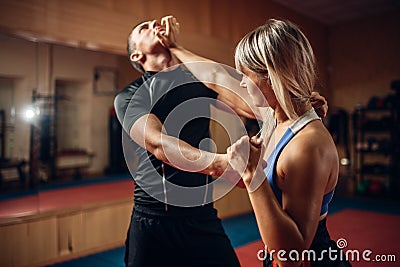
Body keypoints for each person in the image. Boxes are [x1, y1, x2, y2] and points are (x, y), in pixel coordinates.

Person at [115, 16, 329, 267]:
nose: (154, 25)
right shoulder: (130, 96)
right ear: (136, 56)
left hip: (200, 214)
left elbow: (253, 103)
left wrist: (296, 100)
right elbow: (158, 144)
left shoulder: (195, 82)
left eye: (154, 22)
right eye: (144, 28)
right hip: (152, 218)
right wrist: (225, 164)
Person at [224, 20, 351, 266]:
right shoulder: (276, 119)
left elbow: (292, 256)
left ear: (270, 76)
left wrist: (252, 175)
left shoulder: (307, 145)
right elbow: (214, 79)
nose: (241, 83)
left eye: (244, 75)